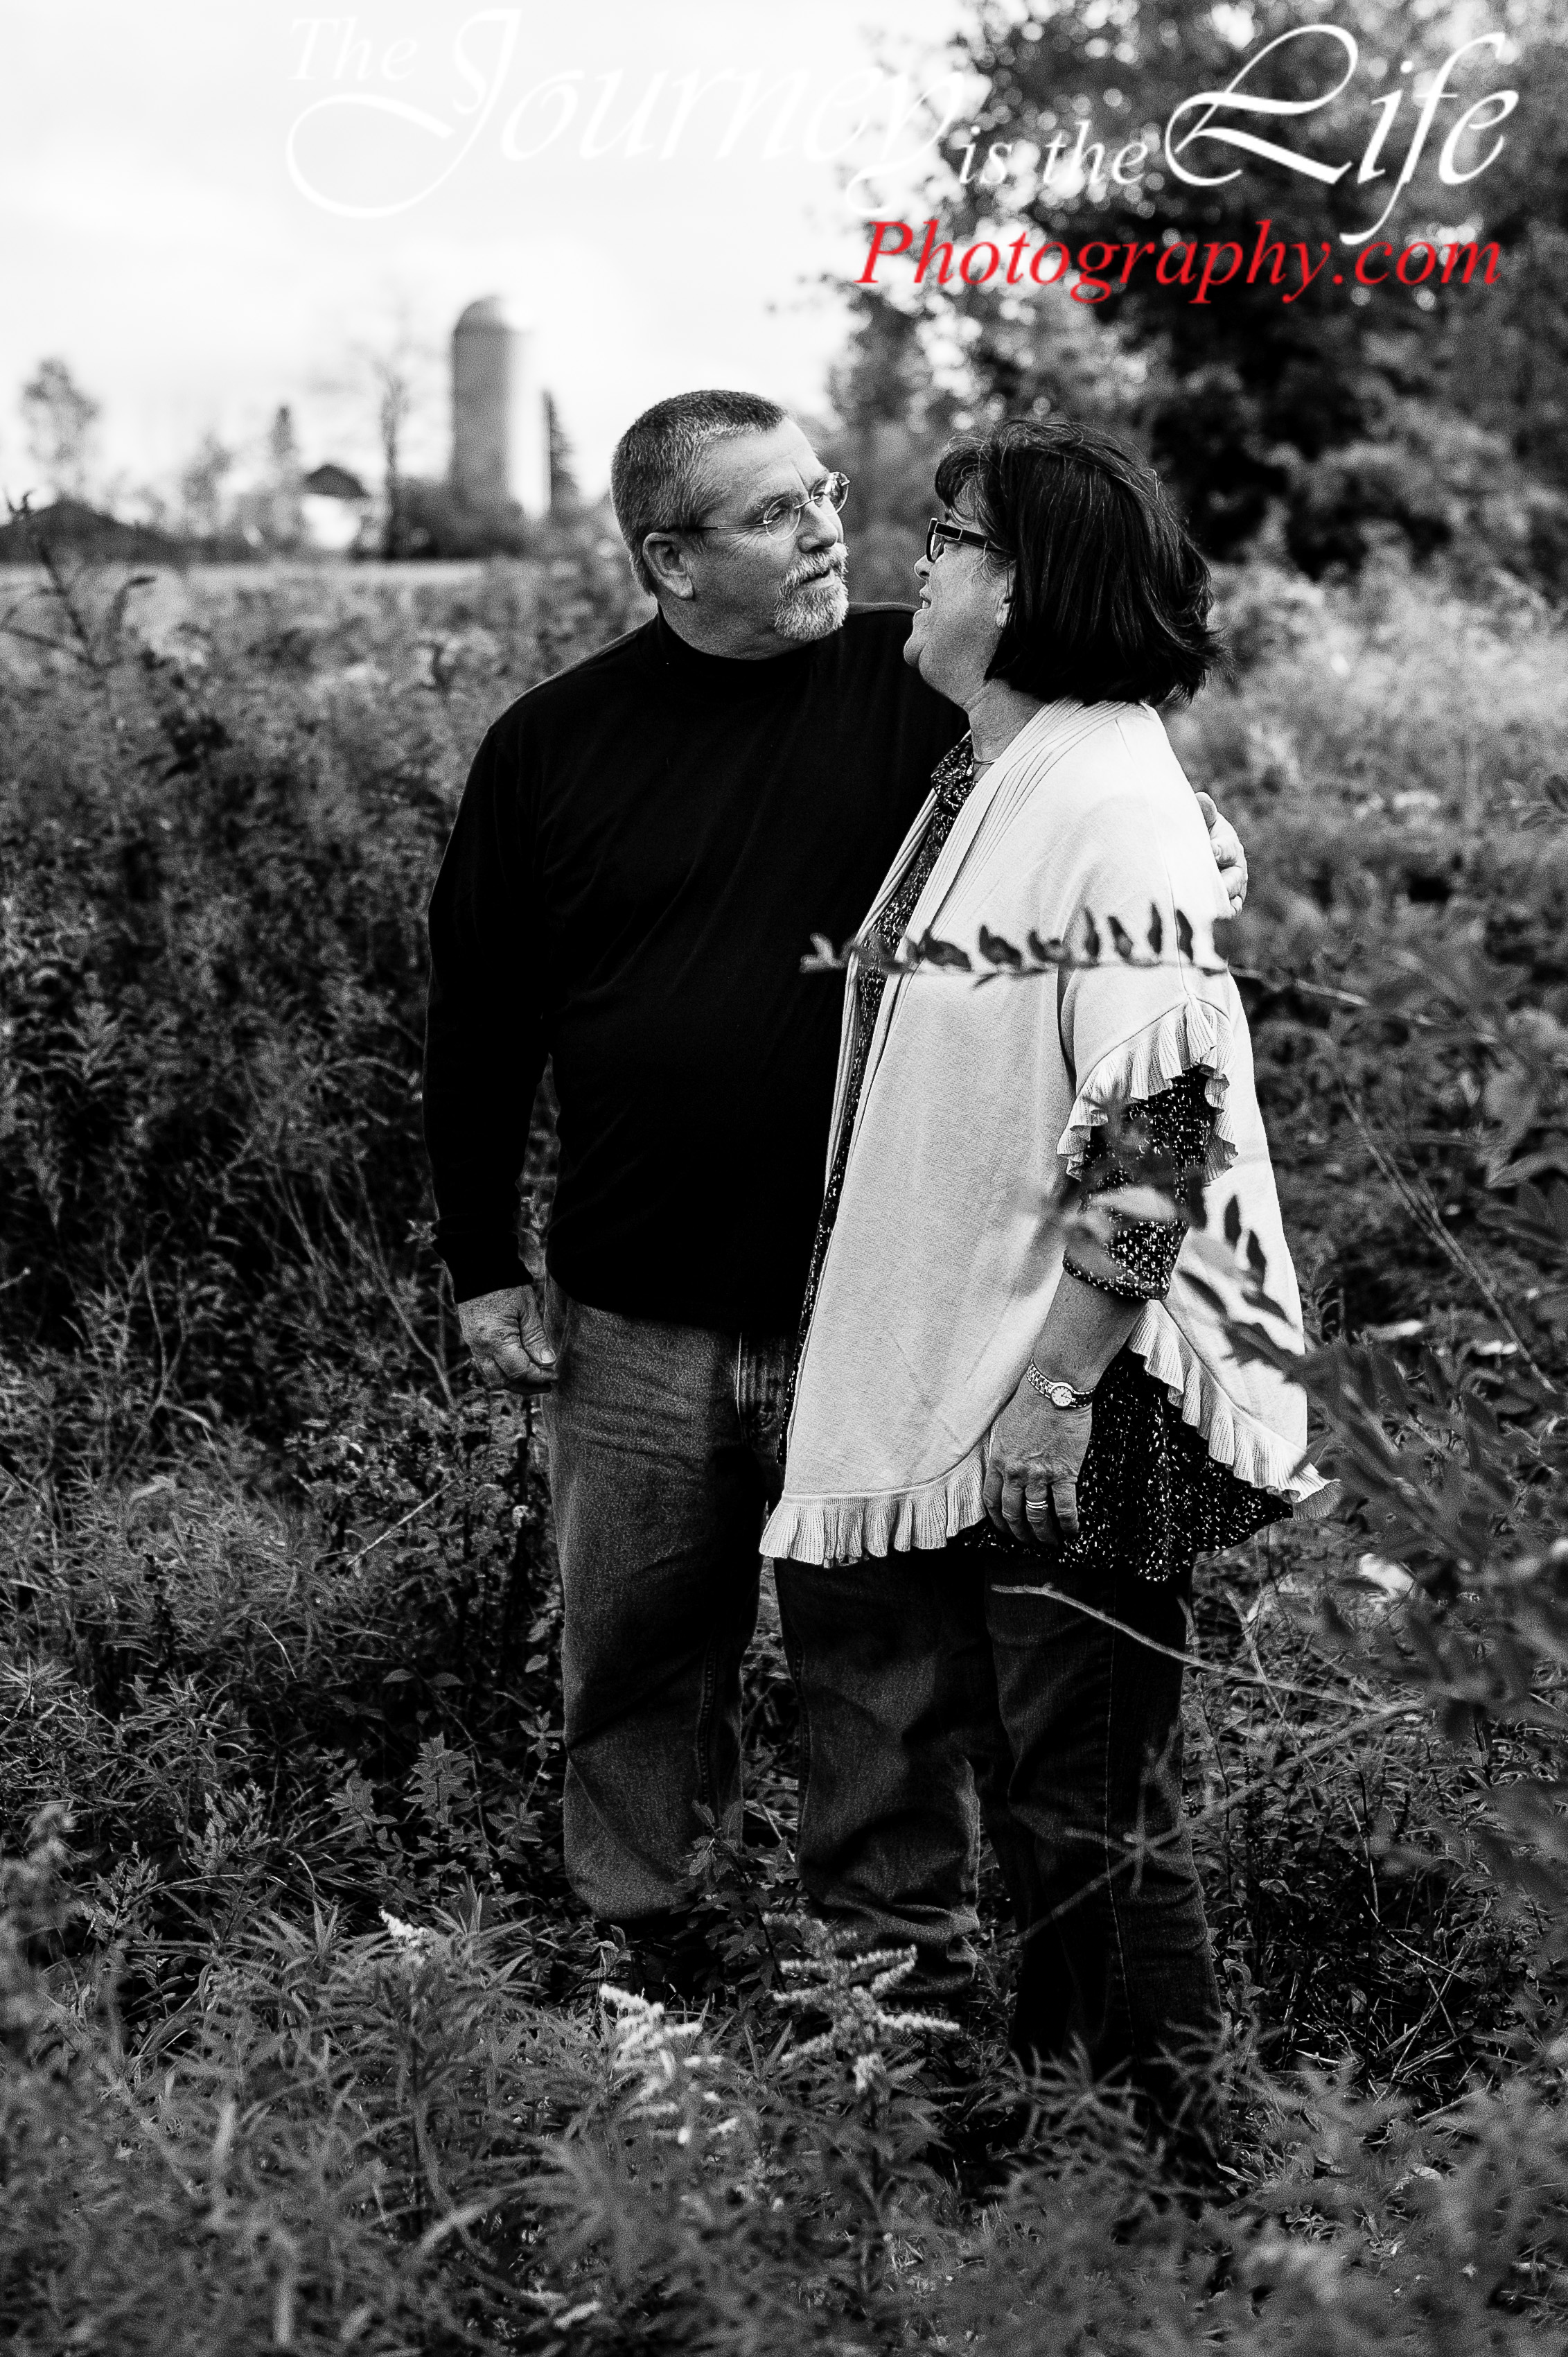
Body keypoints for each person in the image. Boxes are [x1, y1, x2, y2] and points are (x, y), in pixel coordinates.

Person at [422, 390, 1249, 1994]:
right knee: (632, 1661)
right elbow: (480, 1020)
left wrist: (1205, 836)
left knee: (881, 1674)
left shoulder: (922, 679)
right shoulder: (551, 746)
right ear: (669, 559)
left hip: (870, 1307)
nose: (825, 532)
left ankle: (889, 1997)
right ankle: (648, 1960)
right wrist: (480, 1254)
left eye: (824, 495)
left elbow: (1104, 794)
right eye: (772, 513)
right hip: (634, 1307)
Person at [761, 417, 1328, 2155]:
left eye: (944, 539)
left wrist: (1062, 1382)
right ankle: (1087, 2170)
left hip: (1084, 1392)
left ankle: (1202, 2207)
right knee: (1051, 1805)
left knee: (1089, 1818)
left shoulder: (1103, 800)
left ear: (1016, 587)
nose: (916, 564)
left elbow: (1165, 1121)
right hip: (1009, 1370)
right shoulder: (1003, 772)